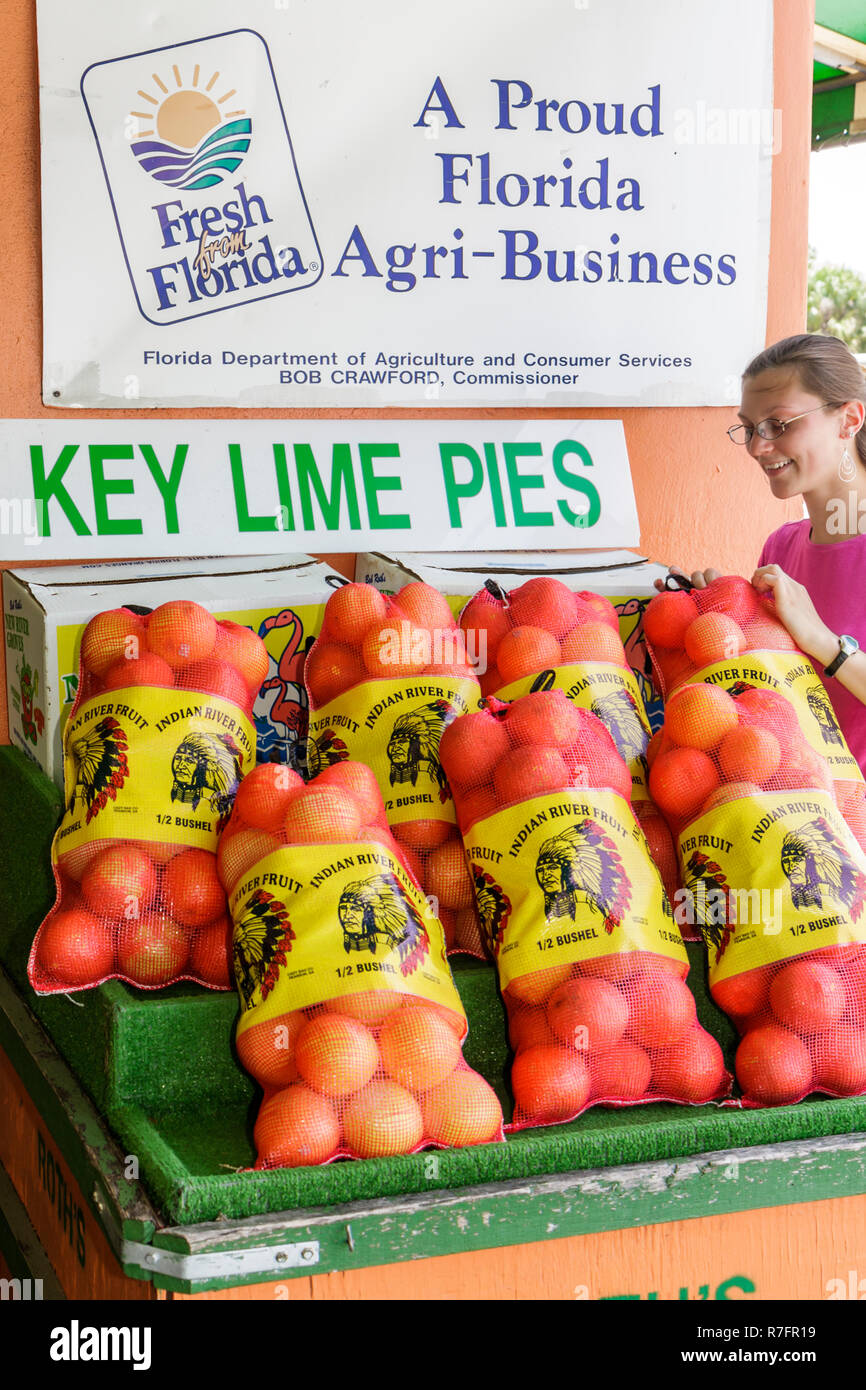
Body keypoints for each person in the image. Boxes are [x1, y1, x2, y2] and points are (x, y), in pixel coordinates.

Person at [656, 333, 866, 772]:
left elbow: (819, 649)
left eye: (779, 424)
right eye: (750, 428)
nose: (757, 447)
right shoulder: (782, 546)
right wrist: (720, 617)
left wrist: (827, 644)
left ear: (849, 419)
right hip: (795, 809)